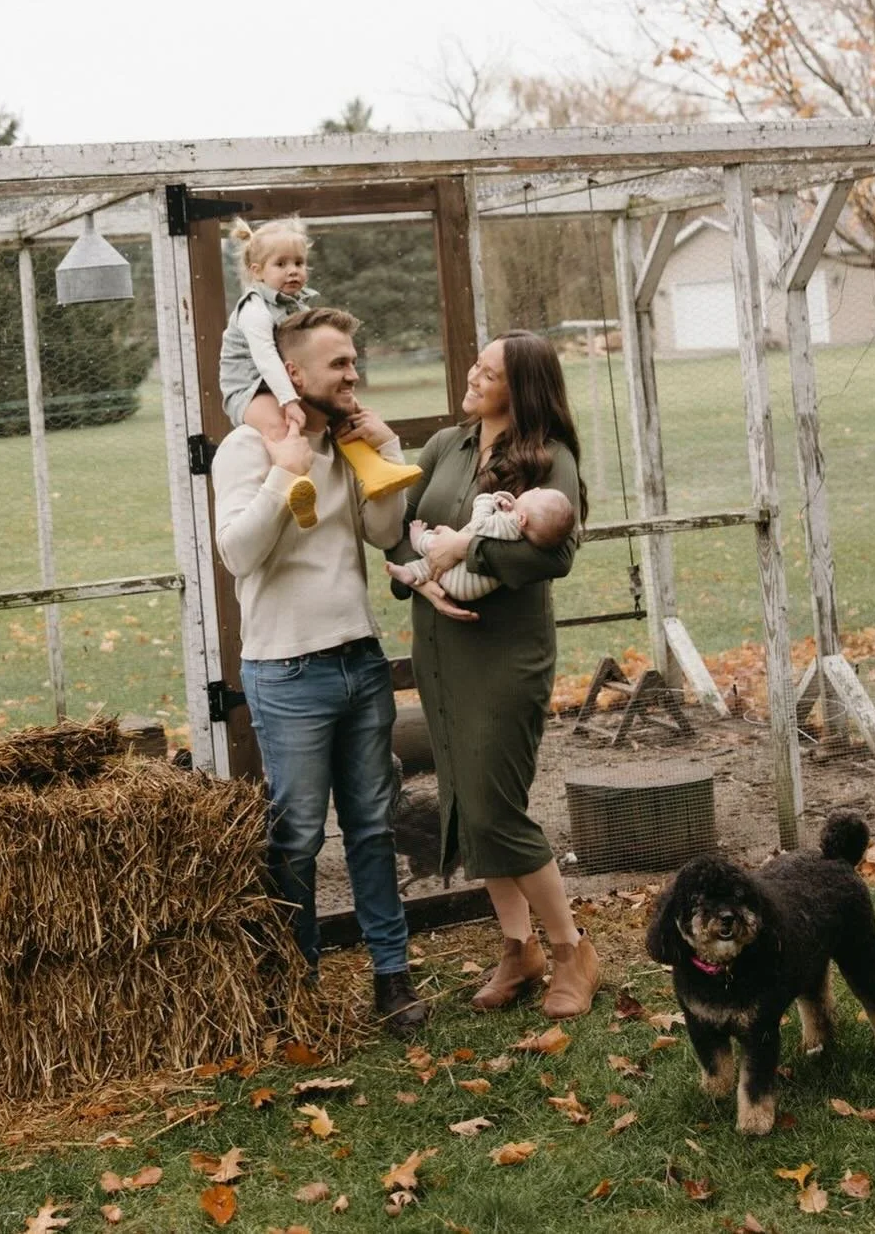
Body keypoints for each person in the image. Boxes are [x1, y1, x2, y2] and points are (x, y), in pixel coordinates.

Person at [212, 305, 428, 1036]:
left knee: (372, 827)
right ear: (294, 372)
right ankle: (293, 983)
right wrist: (283, 476)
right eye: (340, 363)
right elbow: (239, 554)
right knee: (298, 835)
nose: (355, 372)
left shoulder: (348, 446)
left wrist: (386, 446)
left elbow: (384, 531)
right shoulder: (245, 449)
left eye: (355, 360)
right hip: (287, 672)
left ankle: (390, 976)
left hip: (361, 663)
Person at [387, 331, 601, 1019]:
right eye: (474, 360)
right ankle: (519, 947)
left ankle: (571, 950)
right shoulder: (446, 446)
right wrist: (423, 581)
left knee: (494, 805)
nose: (473, 373)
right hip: (441, 647)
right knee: (464, 805)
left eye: (489, 369)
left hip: (505, 650)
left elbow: (555, 552)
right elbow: (399, 526)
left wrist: (467, 546)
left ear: (522, 387)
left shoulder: (548, 456)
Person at [218, 217, 420, 527]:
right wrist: (288, 400)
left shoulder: (298, 307)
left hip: (281, 380)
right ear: (257, 271)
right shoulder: (253, 308)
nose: (293, 270)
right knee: (280, 429)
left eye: (299, 262)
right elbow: (266, 358)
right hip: (249, 387)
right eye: (281, 264)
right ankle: (298, 486)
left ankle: (376, 471)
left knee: (346, 416)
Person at [386, 487, 576, 602]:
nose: (535, 489)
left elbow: (481, 524)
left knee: (435, 543)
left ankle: (417, 543)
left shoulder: (508, 525)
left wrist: (485, 501)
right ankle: (412, 573)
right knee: (437, 560)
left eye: (536, 494)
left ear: (522, 519)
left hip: (461, 580)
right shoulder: (523, 531)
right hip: (468, 588)